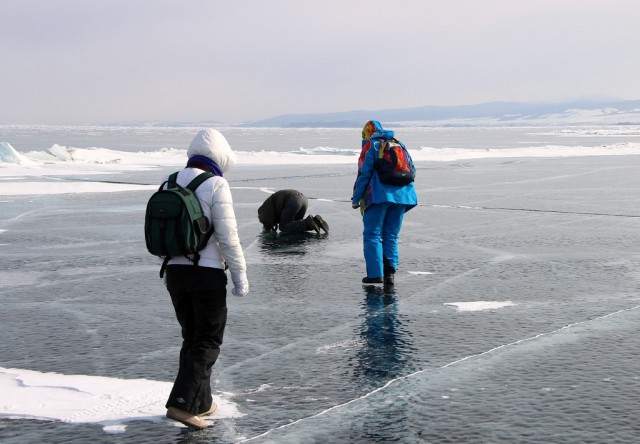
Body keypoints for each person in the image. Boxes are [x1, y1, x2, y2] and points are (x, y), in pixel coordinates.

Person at [162, 128, 249, 429]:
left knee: (192, 337)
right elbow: (228, 235)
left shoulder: (169, 181)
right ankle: (181, 404)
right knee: (208, 339)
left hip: (173, 272)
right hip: (206, 274)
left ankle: (202, 401)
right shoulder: (215, 184)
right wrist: (240, 276)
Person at [351, 120, 417, 285]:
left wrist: (356, 198)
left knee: (372, 234)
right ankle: (389, 273)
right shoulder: (399, 144)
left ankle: (375, 274)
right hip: (403, 196)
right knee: (391, 235)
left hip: (378, 196)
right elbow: (413, 170)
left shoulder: (371, 146)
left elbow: (363, 174)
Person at [258, 189, 329, 234]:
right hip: (303, 199)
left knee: (283, 227)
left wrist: (267, 228)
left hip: (292, 200)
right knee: (295, 227)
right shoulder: (268, 205)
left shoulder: (263, 211)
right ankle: (315, 221)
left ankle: (307, 222)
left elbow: (267, 224)